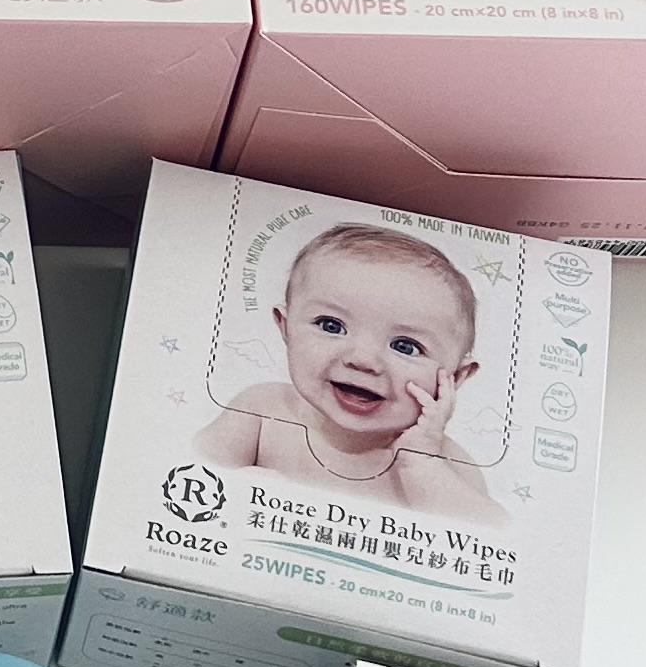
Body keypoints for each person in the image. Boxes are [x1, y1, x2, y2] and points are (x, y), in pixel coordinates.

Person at [200, 220, 496, 513]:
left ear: (456, 377)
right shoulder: (262, 411)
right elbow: (189, 469)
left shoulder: (448, 464)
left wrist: (421, 463)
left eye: (405, 346)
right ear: (286, 326)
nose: (363, 360)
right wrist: (236, 487)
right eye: (331, 326)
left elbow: (494, 536)